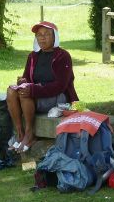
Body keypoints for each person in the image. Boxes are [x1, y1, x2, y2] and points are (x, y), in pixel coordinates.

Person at [6, 21, 78, 152]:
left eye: (47, 34)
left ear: (54, 37)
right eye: (39, 35)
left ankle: (29, 133)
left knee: (25, 93)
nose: (42, 38)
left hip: (58, 97)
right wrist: (22, 81)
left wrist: (33, 89)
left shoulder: (63, 56)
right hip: (38, 94)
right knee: (11, 91)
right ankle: (20, 133)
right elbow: (27, 77)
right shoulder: (33, 56)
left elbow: (60, 86)